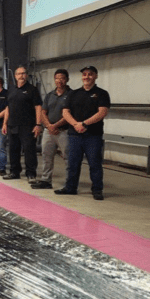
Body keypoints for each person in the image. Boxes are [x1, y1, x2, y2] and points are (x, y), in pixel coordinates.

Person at [55, 66, 111, 200]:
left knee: (95, 164)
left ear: (96, 76)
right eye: (84, 74)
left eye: (90, 74)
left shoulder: (102, 94)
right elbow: (65, 112)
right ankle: (70, 188)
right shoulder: (73, 94)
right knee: (73, 163)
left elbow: (102, 112)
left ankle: (97, 190)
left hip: (93, 135)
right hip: (75, 135)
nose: (87, 77)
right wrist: (75, 124)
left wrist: (85, 124)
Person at [32, 69, 72, 189]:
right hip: (48, 131)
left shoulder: (71, 95)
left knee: (68, 157)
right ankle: (46, 180)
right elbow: (43, 112)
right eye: (57, 78)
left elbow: (70, 114)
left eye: (62, 78)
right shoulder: (50, 95)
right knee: (46, 156)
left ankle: (70, 182)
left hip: (64, 131)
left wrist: (55, 126)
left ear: (67, 79)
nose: (59, 80)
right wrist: (49, 126)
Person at [3, 66, 42, 182]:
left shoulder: (32, 90)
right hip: (12, 125)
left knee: (29, 150)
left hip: (27, 126)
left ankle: (31, 174)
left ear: (27, 75)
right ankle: (14, 172)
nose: (21, 76)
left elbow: (38, 107)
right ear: (15, 76)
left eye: (24, 73)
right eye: (19, 74)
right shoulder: (11, 90)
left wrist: (38, 124)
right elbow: (7, 108)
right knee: (13, 150)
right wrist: (5, 123)